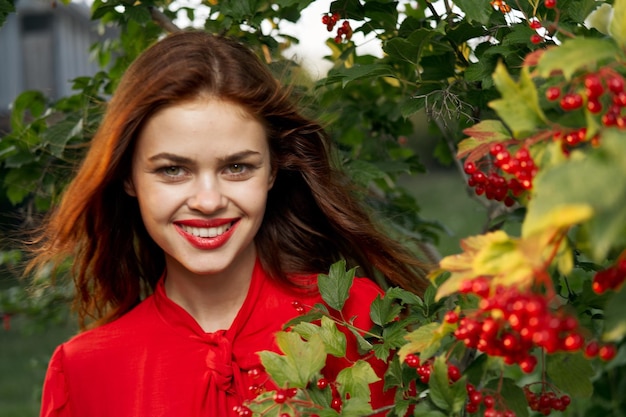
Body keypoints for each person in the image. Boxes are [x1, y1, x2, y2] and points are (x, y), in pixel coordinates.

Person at [28, 30, 430, 416]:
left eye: (237, 167)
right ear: (128, 177)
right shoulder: (84, 371)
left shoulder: (360, 320)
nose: (208, 201)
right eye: (172, 170)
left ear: (273, 171)